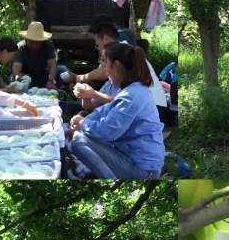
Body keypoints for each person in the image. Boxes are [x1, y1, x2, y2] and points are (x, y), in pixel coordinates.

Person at [69, 43, 164, 179]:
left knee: (78, 141)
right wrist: (83, 120)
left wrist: (83, 122)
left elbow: (106, 132)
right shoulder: (131, 89)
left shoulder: (131, 95)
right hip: (135, 160)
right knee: (84, 134)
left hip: (144, 169)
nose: (104, 69)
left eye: (105, 63)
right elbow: (103, 111)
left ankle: (110, 180)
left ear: (116, 65)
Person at [66, 21, 167, 108]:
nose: (98, 49)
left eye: (97, 45)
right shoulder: (120, 51)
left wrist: (83, 83)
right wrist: (86, 96)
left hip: (154, 105)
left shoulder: (122, 52)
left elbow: (125, 101)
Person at [12, 21, 65, 90]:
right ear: (26, 39)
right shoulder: (20, 47)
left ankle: (64, 88)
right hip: (25, 77)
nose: (34, 44)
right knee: (12, 79)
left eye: (37, 42)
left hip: (42, 75)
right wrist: (19, 79)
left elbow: (52, 64)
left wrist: (50, 81)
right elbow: (16, 67)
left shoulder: (48, 45)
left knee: (62, 70)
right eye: (31, 41)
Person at [74, 43, 121, 111]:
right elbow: (91, 107)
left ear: (116, 64)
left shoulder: (129, 84)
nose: (100, 62)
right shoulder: (109, 84)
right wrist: (84, 95)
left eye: (103, 60)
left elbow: (121, 103)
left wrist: (94, 94)